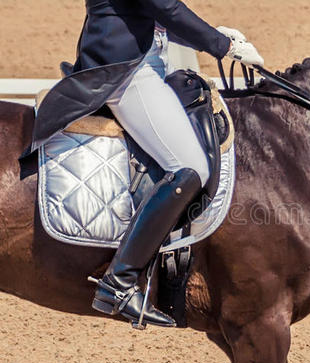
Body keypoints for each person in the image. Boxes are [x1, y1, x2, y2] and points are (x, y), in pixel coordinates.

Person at [29, 0, 264, 327]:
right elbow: (164, 6)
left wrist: (210, 36)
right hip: (127, 72)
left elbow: (146, 14)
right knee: (191, 167)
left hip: (145, 62)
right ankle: (120, 281)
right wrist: (222, 46)